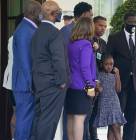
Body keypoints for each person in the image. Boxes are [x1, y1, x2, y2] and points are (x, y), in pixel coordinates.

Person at [107, 12, 136, 140]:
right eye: (130, 22)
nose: (133, 25)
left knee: (131, 118)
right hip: (119, 84)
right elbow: (108, 58)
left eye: (135, 22)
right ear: (125, 22)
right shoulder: (114, 38)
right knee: (117, 118)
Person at [30, 1, 69, 140]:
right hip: (53, 83)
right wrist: (62, 81)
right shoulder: (53, 32)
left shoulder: (37, 31)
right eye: (59, 11)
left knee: (40, 117)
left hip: (39, 81)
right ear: (53, 14)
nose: (60, 14)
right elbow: (58, 59)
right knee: (49, 120)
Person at [60, 2, 93, 140]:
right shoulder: (86, 44)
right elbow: (85, 67)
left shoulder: (72, 44)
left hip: (70, 85)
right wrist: (90, 87)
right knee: (80, 119)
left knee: (70, 118)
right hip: (81, 87)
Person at [12, 1, 41, 140]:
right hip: (25, 85)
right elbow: (25, 62)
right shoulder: (24, 30)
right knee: (24, 122)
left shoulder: (28, 28)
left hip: (26, 83)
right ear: (34, 13)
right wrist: (32, 84)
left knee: (28, 122)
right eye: (40, 12)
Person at [93, 54, 126, 140]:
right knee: (111, 128)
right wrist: (97, 90)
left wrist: (117, 75)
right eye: (106, 64)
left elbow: (118, 89)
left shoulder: (114, 75)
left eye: (111, 64)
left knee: (115, 127)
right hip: (104, 103)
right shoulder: (99, 75)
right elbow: (97, 88)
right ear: (102, 64)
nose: (109, 66)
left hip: (114, 103)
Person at [89, 16, 108, 140]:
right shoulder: (87, 40)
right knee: (88, 110)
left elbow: (104, 61)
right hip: (88, 82)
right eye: (100, 25)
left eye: (105, 26)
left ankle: (94, 136)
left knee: (95, 111)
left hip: (99, 82)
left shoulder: (103, 43)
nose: (103, 28)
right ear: (93, 24)